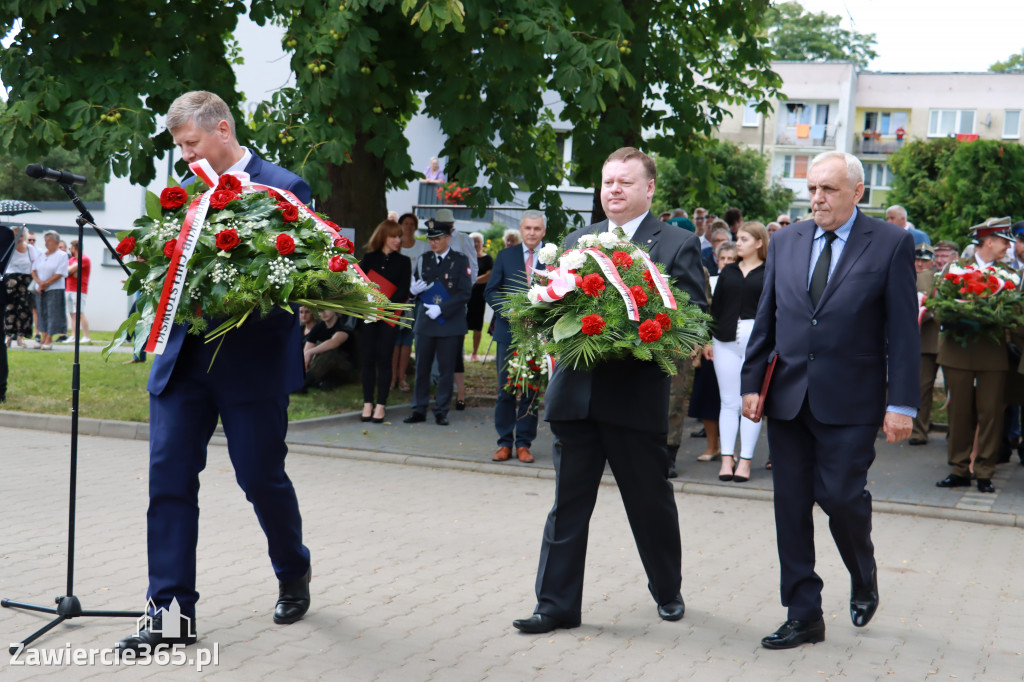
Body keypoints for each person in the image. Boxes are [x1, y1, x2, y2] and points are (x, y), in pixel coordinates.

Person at [117, 90, 314, 654]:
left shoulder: (285, 185)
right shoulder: (181, 194)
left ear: (222, 130)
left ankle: (292, 568)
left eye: (191, 143)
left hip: (250, 363)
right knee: (169, 482)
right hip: (183, 362)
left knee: (260, 477)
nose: (184, 156)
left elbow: (297, 274)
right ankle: (171, 614)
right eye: (179, 146)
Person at [512, 147, 706, 634]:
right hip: (576, 396)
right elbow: (553, 307)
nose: (613, 190)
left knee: (649, 502)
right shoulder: (577, 240)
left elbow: (695, 318)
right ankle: (555, 605)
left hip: (635, 399)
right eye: (607, 182)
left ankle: (667, 589)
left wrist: (637, 328)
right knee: (568, 505)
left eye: (624, 182)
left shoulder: (677, 244)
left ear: (649, 189)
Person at [740, 150, 919, 650]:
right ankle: (804, 614)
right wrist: (752, 383)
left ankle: (863, 572)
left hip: (853, 401)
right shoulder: (788, 240)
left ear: (857, 193)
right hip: (789, 397)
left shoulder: (889, 243)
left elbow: (904, 332)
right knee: (790, 507)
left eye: (829, 189)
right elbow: (767, 317)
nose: (817, 198)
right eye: (812, 188)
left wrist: (902, 404)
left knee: (840, 497)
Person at [935, 218, 1014, 495]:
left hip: (992, 353)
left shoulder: (1010, 275)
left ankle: (984, 472)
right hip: (958, 351)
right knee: (959, 413)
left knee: (990, 414)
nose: (1008, 247)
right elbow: (940, 307)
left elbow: (1015, 314)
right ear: (989, 241)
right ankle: (958, 469)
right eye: (1004, 241)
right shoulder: (955, 269)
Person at [704, 222, 768, 483]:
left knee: (751, 403)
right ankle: (727, 459)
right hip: (724, 339)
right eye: (737, 238)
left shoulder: (769, 272)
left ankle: (746, 461)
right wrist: (707, 339)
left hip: (757, 342)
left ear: (759, 243)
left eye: (743, 239)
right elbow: (715, 308)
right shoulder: (728, 271)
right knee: (728, 402)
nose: (737, 242)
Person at [484, 210, 547, 464]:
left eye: (537, 229)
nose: (532, 233)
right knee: (506, 390)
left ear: (543, 231)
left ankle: (523, 444)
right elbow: (491, 291)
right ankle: (504, 443)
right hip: (508, 333)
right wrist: (509, 310)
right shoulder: (505, 256)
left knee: (530, 391)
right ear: (521, 230)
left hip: (537, 334)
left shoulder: (552, 258)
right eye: (528, 228)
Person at [403, 222, 472, 426]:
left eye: (438, 239)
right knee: (422, 368)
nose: (433, 243)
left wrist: (443, 308)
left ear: (447, 239)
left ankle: (441, 410)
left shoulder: (460, 261)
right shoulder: (424, 260)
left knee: (446, 369)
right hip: (426, 321)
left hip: (449, 322)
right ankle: (418, 409)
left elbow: (465, 292)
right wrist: (412, 293)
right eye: (431, 239)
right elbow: (416, 287)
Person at [358, 219, 411, 423]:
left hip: (389, 316)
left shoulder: (403, 262)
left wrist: (384, 306)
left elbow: (403, 290)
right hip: (369, 315)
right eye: (394, 236)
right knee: (368, 359)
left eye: (399, 236)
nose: (398, 240)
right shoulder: (369, 258)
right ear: (383, 236)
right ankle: (367, 403)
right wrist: (370, 305)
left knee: (385, 358)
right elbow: (362, 285)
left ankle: (381, 404)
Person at [392, 213, 426, 393]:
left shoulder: (422, 246)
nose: (409, 226)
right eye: (405, 223)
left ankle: (402, 376)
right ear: (400, 225)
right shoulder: (394, 244)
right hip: (395, 298)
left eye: (412, 224)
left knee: (407, 340)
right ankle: (391, 377)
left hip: (414, 298)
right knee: (394, 340)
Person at [910, 244, 939, 445]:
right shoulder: (906, 276)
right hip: (924, 342)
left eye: (924, 260)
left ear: (932, 261)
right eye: (917, 259)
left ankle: (955, 433)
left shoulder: (940, 278)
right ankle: (919, 431)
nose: (920, 264)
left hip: (943, 340)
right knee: (922, 388)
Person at [30, 230, 68, 350]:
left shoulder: (62, 255)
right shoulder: (41, 254)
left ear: (56, 242)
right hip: (40, 289)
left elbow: (60, 273)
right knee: (41, 313)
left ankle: (49, 338)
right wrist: (40, 283)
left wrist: (45, 284)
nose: (46, 243)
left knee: (53, 313)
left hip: (54, 289)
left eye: (49, 241)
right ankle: (43, 336)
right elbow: (33, 270)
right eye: (45, 241)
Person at [303, 309, 359, 389]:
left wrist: (310, 352)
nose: (323, 312)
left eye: (326, 309)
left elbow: (334, 342)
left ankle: (305, 381)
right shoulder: (318, 327)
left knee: (330, 352)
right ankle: (310, 380)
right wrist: (306, 357)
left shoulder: (343, 325)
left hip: (345, 368)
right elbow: (306, 350)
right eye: (320, 309)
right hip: (324, 369)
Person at [4, 226, 37, 349]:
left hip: (25, 283)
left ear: (25, 236)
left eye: (21, 235)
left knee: (23, 310)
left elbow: (35, 264)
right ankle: (8, 336)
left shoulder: (30, 249)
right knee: (9, 309)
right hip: (11, 283)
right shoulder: (9, 248)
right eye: (15, 235)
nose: (18, 238)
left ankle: (20, 337)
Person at [467, 231, 493, 362]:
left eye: (478, 241)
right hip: (465, 296)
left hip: (479, 296)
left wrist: (473, 280)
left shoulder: (487, 259)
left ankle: (474, 353)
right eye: (473, 241)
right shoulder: (465, 257)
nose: (476, 243)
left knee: (477, 326)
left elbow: (489, 276)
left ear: (482, 243)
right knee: (462, 324)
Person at [63, 239, 92, 343]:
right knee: (72, 314)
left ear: (75, 248)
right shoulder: (71, 260)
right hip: (69, 288)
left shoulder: (84, 259)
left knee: (80, 312)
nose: (70, 250)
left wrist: (71, 270)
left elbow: (69, 270)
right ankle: (74, 336)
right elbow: (66, 271)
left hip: (79, 290)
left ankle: (86, 336)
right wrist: (72, 271)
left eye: (71, 248)